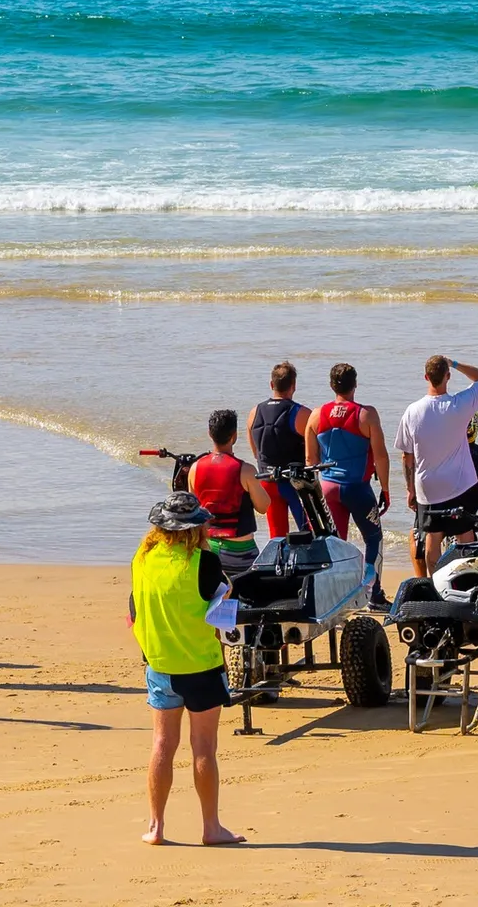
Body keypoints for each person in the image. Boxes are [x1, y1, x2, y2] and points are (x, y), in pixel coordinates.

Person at [128, 491, 244, 847]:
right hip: (200, 665)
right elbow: (224, 604)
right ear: (195, 528)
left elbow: (133, 613)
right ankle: (211, 827)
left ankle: (156, 826)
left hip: (160, 663)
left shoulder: (142, 559)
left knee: (162, 744)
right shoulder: (203, 563)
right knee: (203, 747)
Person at [304, 363, 391, 609]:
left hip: (328, 488)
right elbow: (381, 456)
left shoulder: (316, 415)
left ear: (332, 386)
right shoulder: (366, 415)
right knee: (374, 539)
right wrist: (385, 489)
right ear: (355, 385)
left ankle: (336, 598)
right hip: (358, 489)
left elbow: (311, 462)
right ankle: (374, 594)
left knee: (335, 543)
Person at [395, 354, 478, 576]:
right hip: (458, 483)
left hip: (428, 487)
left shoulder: (412, 411)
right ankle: (468, 581)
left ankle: (435, 583)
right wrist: (455, 363)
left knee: (433, 536)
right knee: (465, 535)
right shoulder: (459, 405)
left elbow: (406, 457)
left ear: (426, 377)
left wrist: (410, 489)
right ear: (447, 376)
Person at [188, 409, 269, 583]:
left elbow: (193, 512)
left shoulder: (195, 469)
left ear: (210, 434)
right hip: (241, 551)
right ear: (234, 436)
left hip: (208, 548)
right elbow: (263, 507)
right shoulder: (246, 470)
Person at [248, 361, 311, 540]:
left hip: (267, 482)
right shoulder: (301, 413)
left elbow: (256, 452)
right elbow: (314, 452)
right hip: (294, 483)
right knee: (309, 533)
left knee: (277, 537)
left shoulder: (254, 412)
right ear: (294, 386)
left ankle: (279, 565)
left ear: (271, 384)